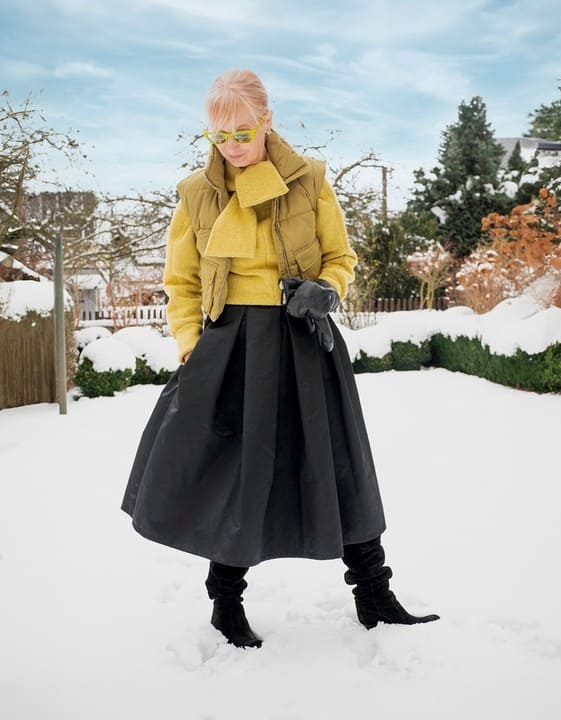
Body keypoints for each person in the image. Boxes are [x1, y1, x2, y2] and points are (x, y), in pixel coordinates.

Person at [121, 69, 439, 649]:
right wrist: (190, 345)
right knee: (239, 475)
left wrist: (329, 289)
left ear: (267, 120)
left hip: (303, 338)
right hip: (231, 349)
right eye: (219, 137)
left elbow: (340, 255)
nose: (231, 146)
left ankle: (374, 593)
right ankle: (225, 602)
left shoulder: (309, 179)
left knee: (338, 463)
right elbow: (182, 280)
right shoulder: (195, 193)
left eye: (242, 133)